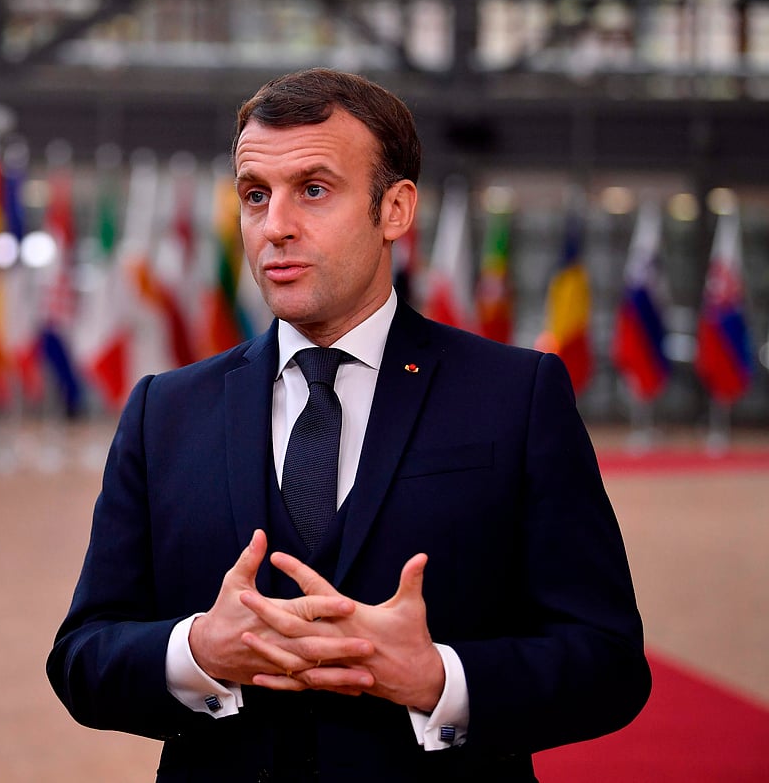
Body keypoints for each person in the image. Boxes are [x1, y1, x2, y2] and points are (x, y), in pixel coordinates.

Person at [47, 68, 650, 781]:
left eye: (313, 189)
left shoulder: (516, 397)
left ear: (394, 209)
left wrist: (437, 679)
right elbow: (83, 657)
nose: (275, 226)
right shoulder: (164, 411)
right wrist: (199, 652)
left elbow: (608, 662)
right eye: (254, 195)